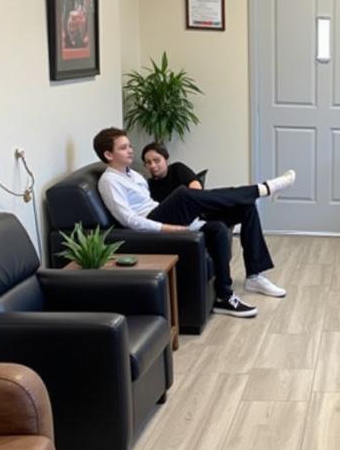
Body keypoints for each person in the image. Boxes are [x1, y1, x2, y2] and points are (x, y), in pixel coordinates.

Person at [93, 127, 294, 319]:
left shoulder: (133, 174)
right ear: (108, 155)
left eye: (129, 145)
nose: (130, 150)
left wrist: (189, 220)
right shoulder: (109, 181)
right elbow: (128, 220)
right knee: (182, 195)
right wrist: (168, 228)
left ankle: (244, 283)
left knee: (238, 214)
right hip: (150, 225)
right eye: (123, 147)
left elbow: (151, 202)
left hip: (158, 214)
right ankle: (261, 189)